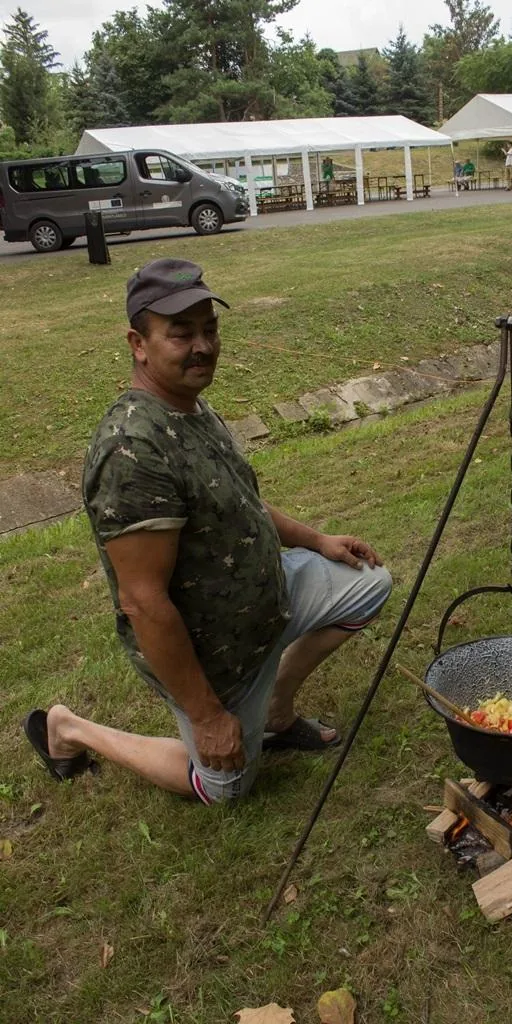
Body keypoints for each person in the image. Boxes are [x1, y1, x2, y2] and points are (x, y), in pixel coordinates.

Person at [22, 258, 392, 805]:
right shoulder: (132, 451)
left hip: (269, 596)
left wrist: (317, 541)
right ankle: (69, 728)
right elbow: (143, 601)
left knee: (370, 583)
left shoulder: (192, 407)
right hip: (215, 653)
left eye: (209, 329)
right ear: (138, 343)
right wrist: (206, 714)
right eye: (181, 333)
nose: (202, 345)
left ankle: (275, 709)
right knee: (226, 787)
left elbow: (240, 506)